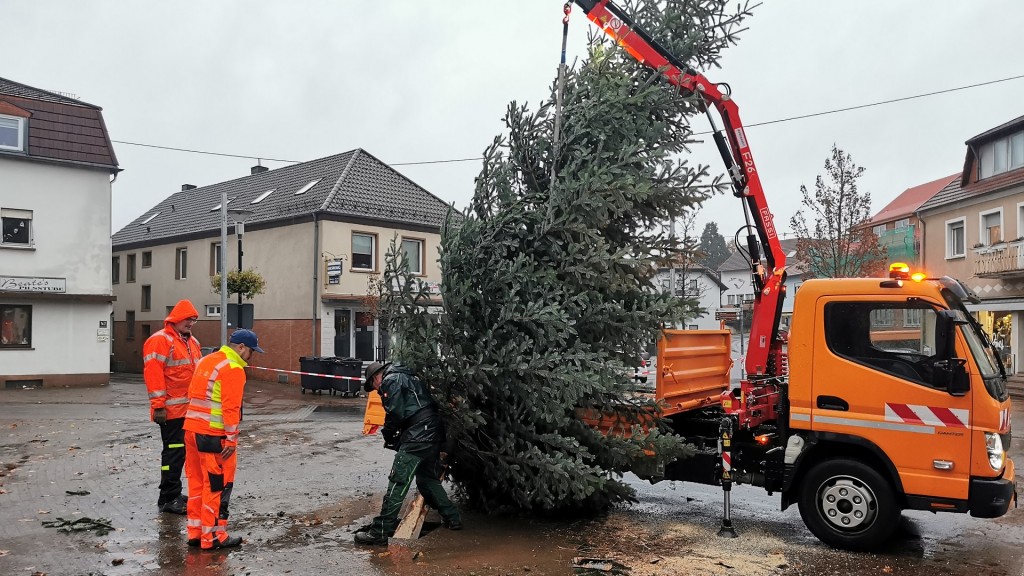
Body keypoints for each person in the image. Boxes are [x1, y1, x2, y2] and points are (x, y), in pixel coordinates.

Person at [354, 361, 461, 546]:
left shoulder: (390, 380)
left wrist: (388, 434)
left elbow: (395, 412)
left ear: (375, 378)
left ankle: (380, 531)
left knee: (398, 481)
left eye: (373, 386)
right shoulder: (407, 375)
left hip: (418, 435)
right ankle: (453, 517)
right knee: (427, 480)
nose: (376, 390)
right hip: (433, 432)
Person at [183, 328, 264, 550]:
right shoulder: (233, 369)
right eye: (251, 351)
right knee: (217, 487)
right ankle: (213, 537)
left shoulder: (206, 361)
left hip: (191, 430)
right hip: (214, 436)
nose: (252, 356)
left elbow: (192, 393)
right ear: (240, 347)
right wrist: (231, 439)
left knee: (196, 483)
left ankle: (195, 533)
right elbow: (230, 408)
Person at [143, 299, 202, 514]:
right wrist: (158, 406)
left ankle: (173, 493)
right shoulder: (160, 341)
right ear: (176, 318)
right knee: (173, 454)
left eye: (194, 320)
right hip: (170, 412)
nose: (191, 323)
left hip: (187, 410)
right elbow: (154, 374)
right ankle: (168, 497)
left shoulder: (191, 342)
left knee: (180, 454)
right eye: (188, 319)